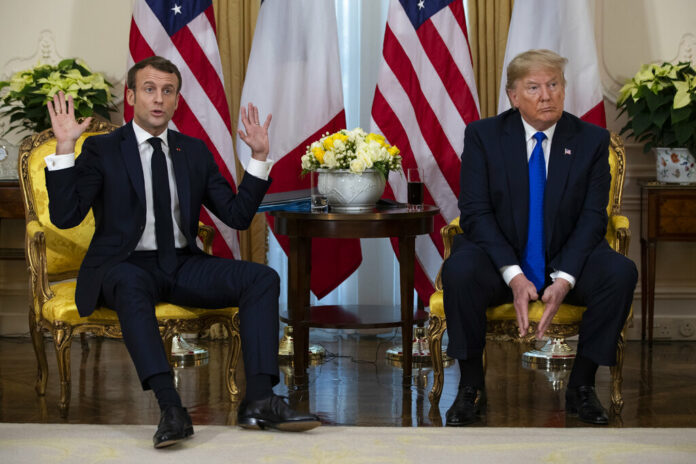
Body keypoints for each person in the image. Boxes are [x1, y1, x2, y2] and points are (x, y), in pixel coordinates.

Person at [44, 56, 320, 448]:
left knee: (261, 278)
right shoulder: (102, 150)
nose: (158, 99)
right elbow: (66, 215)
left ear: (176, 101)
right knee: (129, 282)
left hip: (181, 263)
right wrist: (66, 147)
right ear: (131, 96)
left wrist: (259, 158)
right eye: (149, 89)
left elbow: (238, 216)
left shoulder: (193, 151)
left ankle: (259, 399)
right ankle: (171, 407)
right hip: (123, 266)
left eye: (167, 91)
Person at [441, 49, 638, 426]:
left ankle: (581, 386)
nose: (546, 95)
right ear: (513, 96)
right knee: (459, 271)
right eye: (533, 87)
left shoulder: (592, 141)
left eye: (553, 85)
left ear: (564, 90)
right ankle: (471, 386)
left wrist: (565, 279)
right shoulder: (484, 136)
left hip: (566, 256)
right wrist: (514, 275)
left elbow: (593, 218)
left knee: (620, 272)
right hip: (500, 258)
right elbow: (476, 214)